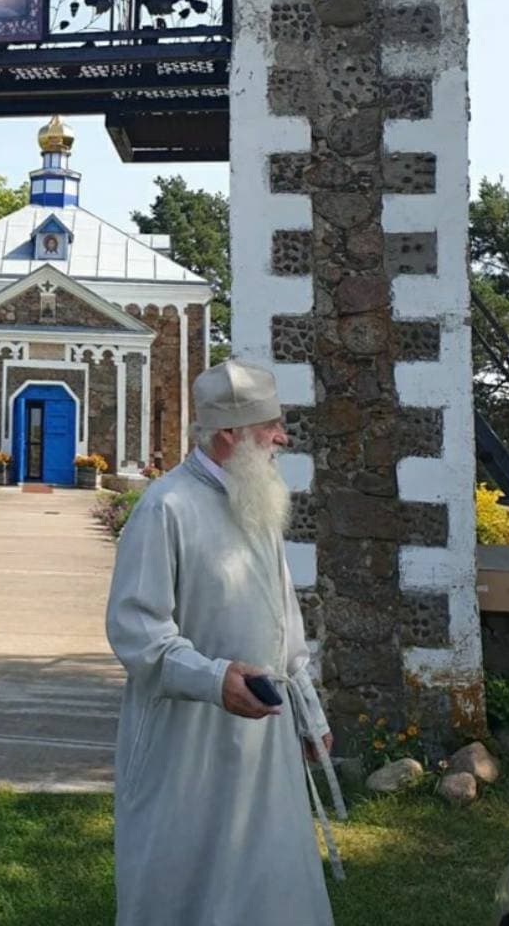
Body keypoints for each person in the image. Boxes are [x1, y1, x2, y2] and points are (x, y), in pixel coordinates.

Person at [106, 358, 344, 926]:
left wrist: (308, 714)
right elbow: (137, 631)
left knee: (270, 885)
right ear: (228, 435)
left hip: (265, 744)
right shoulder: (166, 507)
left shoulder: (254, 501)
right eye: (270, 426)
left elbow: (284, 623)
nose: (281, 437)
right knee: (188, 883)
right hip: (186, 749)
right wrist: (213, 680)